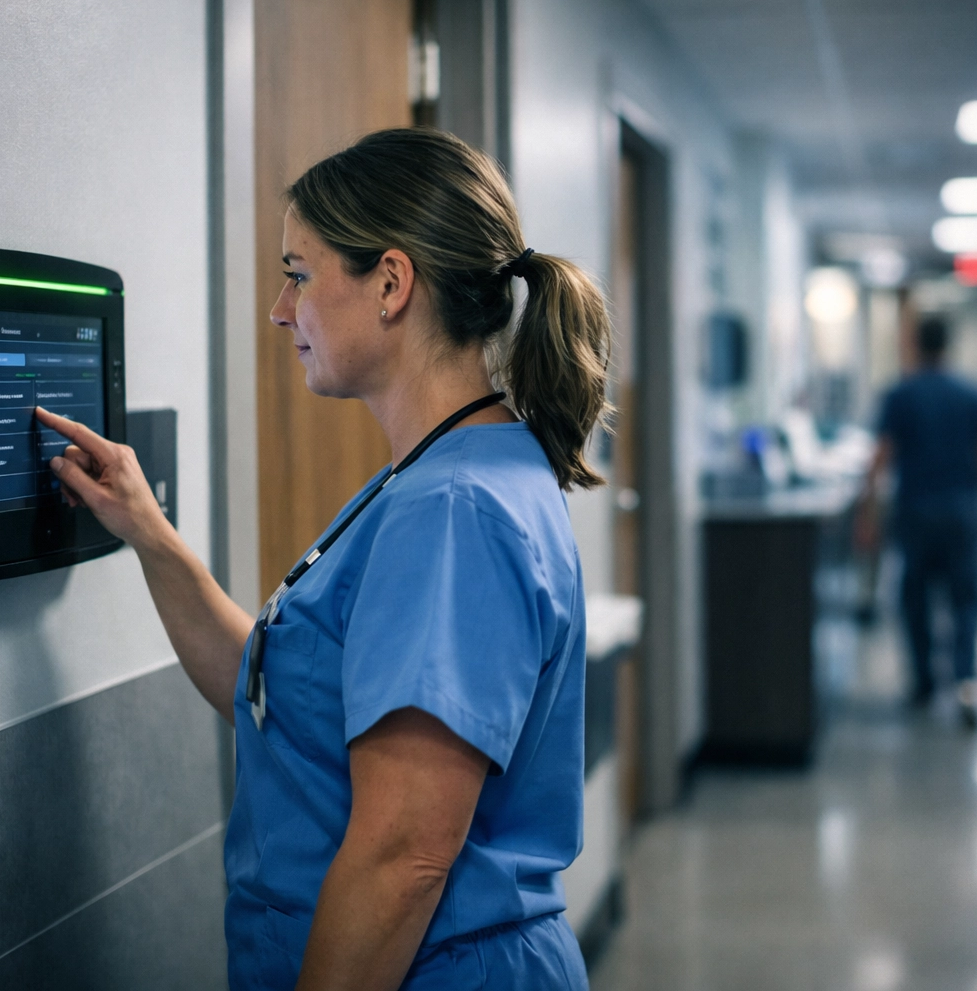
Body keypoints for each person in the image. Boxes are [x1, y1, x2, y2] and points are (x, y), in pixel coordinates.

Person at [35, 128, 608, 990]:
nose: (279, 308)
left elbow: (403, 856)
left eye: (298, 274)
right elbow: (276, 695)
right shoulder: (444, 474)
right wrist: (149, 534)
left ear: (389, 283)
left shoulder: (452, 512)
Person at [856, 311, 977, 729]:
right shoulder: (971, 394)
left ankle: (924, 683)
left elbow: (880, 459)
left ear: (915, 346)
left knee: (915, 599)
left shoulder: (900, 395)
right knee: (966, 600)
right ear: (948, 346)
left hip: (916, 513)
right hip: (963, 512)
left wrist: (867, 515)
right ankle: (965, 683)